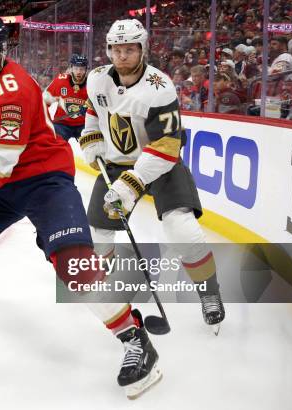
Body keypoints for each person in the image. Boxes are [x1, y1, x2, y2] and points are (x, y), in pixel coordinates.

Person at [0, 12, 161, 399]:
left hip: (42, 179)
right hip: (1, 181)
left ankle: (135, 339)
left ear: (2, 52)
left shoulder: (14, 91)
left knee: (74, 266)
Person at [78, 19, 225, 332]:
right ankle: (103, 292)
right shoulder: (97, 79)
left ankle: (209, 292)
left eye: (129, 49)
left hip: (160, 164)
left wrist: (131, 184)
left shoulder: (160, 87)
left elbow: (167, 145)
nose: (122, 56)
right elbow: (94, 111)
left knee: (182, 230)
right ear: (108, 50)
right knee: (96, 235)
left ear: (142, 49)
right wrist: (91, 137)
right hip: (117, 164)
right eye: (116, 49)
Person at [42, 54, 89, 141]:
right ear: (71, 68)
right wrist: (46, 120)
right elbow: (44, 98)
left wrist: (90, 108)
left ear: (86, 70)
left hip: (83, 125)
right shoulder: (61, 80)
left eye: (82, 69)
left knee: (94, 143)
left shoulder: (91, 83)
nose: (78, 71)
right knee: (54, 142)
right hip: (62, 124)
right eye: (76, 68)